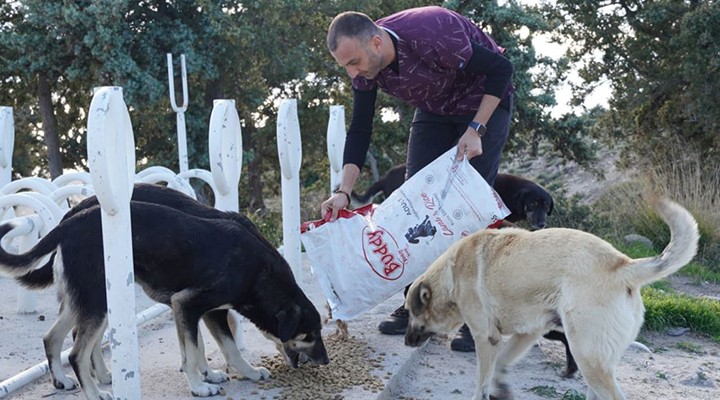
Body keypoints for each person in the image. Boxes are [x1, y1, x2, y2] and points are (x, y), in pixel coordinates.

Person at [321, 6, 514, 352]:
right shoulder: (364, 72)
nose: (353, 72)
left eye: (354, 62)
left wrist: (475, 129)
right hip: (435, 109)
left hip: (481, 102)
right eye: (345, 66)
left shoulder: (433, 31)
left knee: (473, 210)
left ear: (376, 43)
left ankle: (478, 317)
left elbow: (501, 69)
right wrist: (344, 192)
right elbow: (360, 129)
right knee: (413, 204)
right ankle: (417, 303)